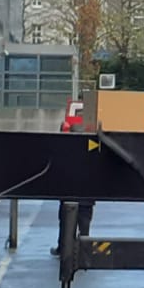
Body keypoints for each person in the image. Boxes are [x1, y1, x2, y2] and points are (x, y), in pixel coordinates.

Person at [51, 101, 95, 254]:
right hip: (87, 195)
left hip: (68, 193)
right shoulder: (92, 147)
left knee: (66, 223)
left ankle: (63, 248)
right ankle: (84, 250)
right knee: (84, 224)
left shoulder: (66, 149)